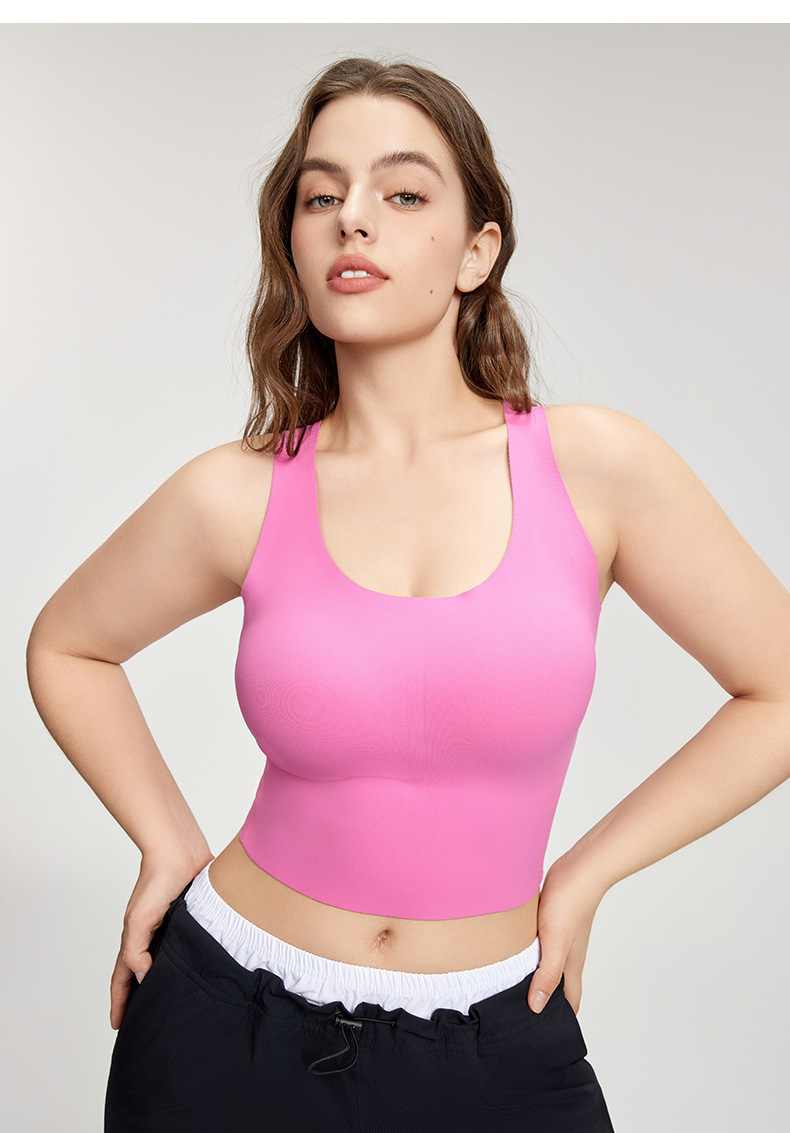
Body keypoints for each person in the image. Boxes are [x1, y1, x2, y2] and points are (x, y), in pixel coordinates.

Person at [26, 56, 790, 1133]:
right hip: (221, 1019)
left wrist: (584, 874)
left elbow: (778, 687)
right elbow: (68, 644)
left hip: (490, 1031)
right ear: (294, 245)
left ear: (478, 250)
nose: (354, 219)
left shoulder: (598, 468)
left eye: (404, 192)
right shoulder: (237, 492)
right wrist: (164, 840)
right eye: (321, 196)